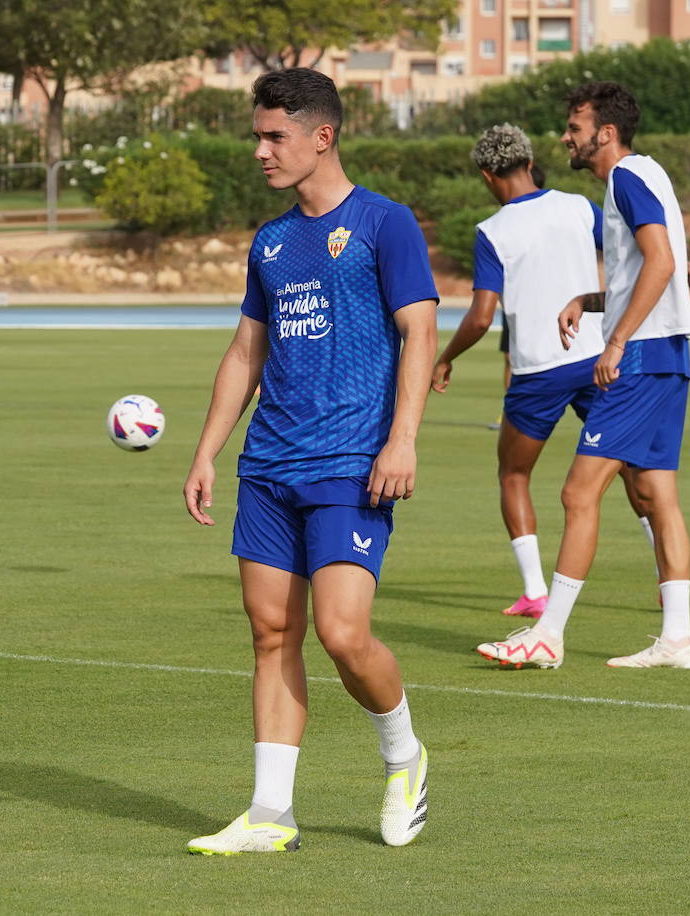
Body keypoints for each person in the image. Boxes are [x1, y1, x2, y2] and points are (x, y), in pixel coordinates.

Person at [182, 68, 438, 854]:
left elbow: (420, 333)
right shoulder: (270, 241)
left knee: (342, 632)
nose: (260, 151)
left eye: (274, 136)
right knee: (269, 633)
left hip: (352, 462)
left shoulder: (383, 224)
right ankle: (270, 814)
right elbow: (245, 352)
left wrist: (403, 438)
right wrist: (207, 453)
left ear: (321, 136)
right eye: (258, 135)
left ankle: (403, 753)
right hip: (269, 465)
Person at [476, 80, 690, 670]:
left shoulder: (625, 177)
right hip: (671, 355)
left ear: (604, 132)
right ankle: (677, 638)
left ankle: (547, 633)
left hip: (643, 357)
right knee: (656, 494)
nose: (564, 138)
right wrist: (589, 298)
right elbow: (657, 265)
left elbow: (661, 260)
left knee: (578, 491)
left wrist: (617, 339)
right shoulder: (646, 175)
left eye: (573, 128)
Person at [431, 123, 662, 620]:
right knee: (631, 468)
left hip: (538, 371)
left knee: (513, 473)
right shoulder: (577, 206)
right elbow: (632, 250)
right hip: (597, 357)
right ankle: (668, 580)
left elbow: (480, 316)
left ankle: (536, 591)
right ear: (529, 162)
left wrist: (445, 357)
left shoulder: (492, 232)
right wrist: (682, 265)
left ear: (488, 175)